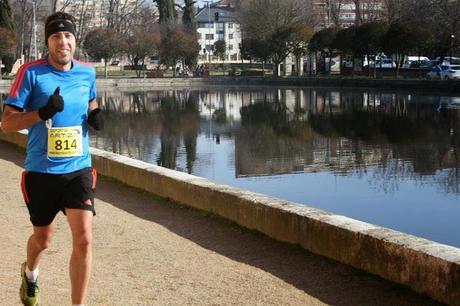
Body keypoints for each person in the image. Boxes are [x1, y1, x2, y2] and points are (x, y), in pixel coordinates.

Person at [1, 12, 103, 306]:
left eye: (68, 36)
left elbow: (90, 98)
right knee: (43, 240)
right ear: (48, 42)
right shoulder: (31, 73)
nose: (63, 42)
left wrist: (95, 114)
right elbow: (6, 124)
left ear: (75, 41)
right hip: (41, 172)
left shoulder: (87, 72)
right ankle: (30, 272)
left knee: (84, 238)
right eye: (56, 37)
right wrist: (42, 113)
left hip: (78, 169)